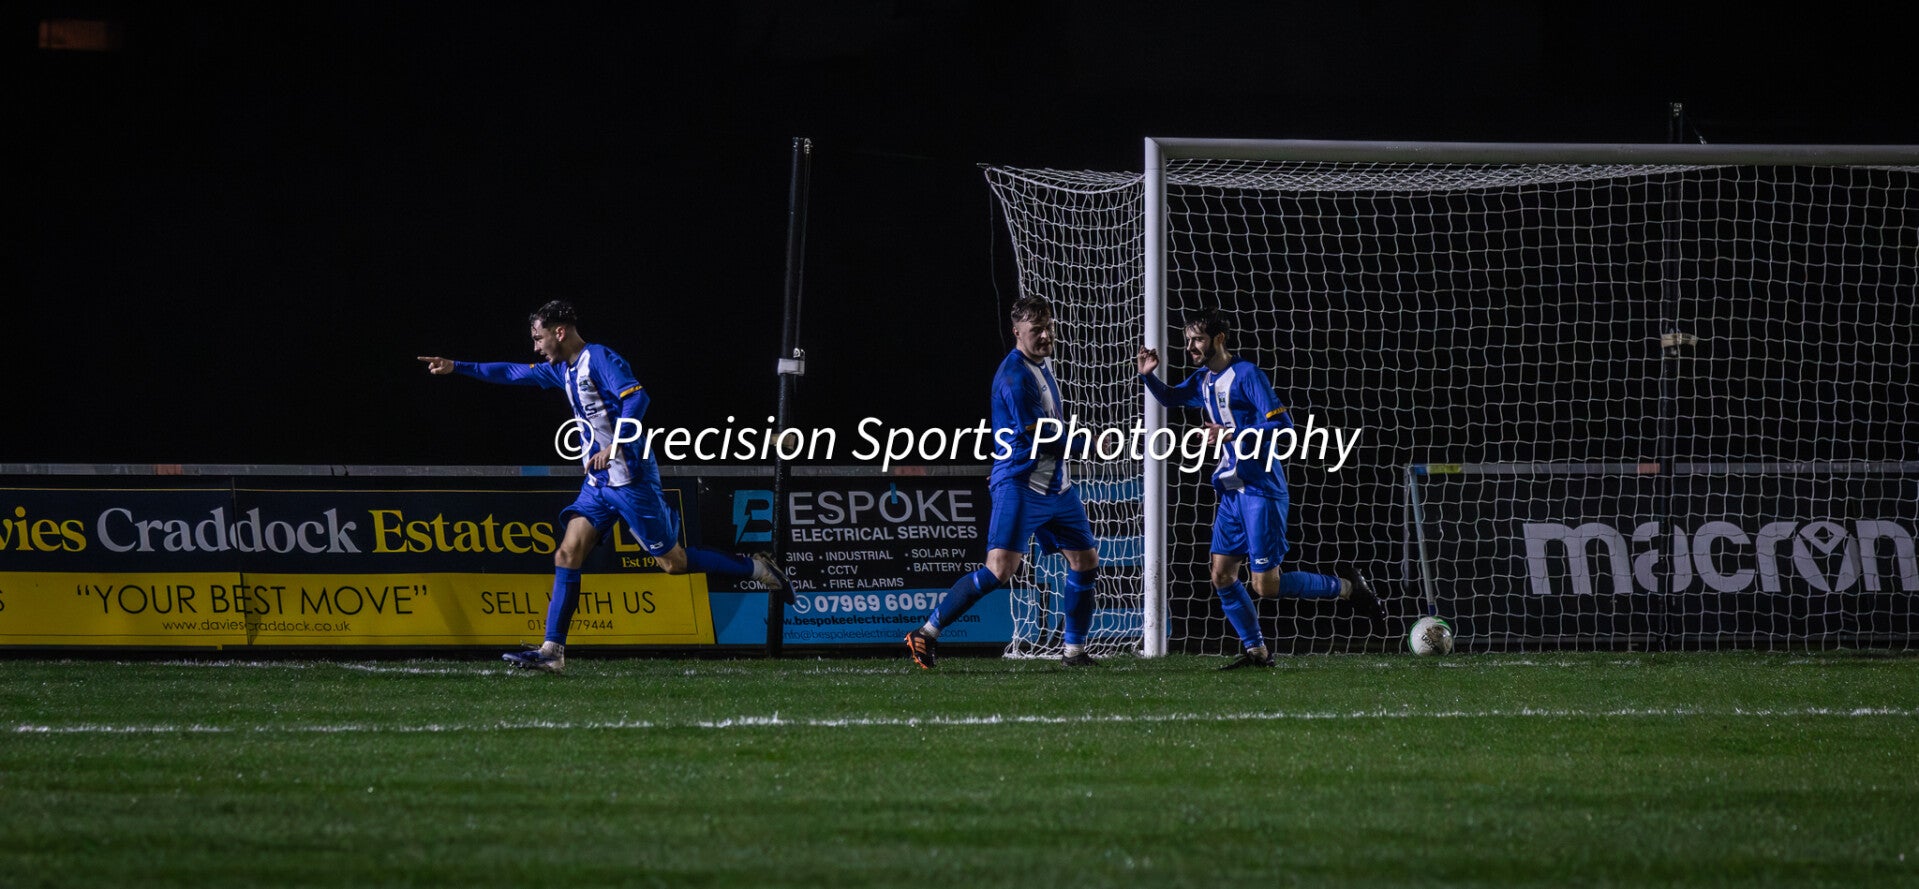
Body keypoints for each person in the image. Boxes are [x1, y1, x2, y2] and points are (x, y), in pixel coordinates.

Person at [418, 299, 791, 673]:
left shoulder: (599, 357)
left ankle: (756, 568)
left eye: (538, 338)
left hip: (631, 480)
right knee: (567, 554)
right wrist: (457, 366)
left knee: (673, 564)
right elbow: (513, 373)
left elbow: (637, 397)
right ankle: (552, 652)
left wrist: (616, 445)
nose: (536, 347)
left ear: (559, 332)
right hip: (598, 483)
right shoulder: (563, 369)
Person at [1137, 308, 1385, 669]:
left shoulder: (1247, 375)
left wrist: (1231, 433)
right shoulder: (1204, 379)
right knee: (1221, 575)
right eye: (1188, 340)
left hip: (1261, 489)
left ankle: (1347, 588)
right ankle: (1257, 652)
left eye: (1198, 339)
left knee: (1265, 586)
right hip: (1232, 490)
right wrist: (1148, 376)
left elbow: (1284, 428)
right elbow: (1172, 398)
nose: (1190, 347)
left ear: (1219, 339)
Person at [905, 296, 1102, 668]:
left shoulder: (1039, 365)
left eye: (1048, 327)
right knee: (999, 569)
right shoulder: (1014, 376)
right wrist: (1086, 443)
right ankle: (926, 633)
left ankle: (1074, 652)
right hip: (1020, 485)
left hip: (1056, 487)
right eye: (1036, 330)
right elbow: (1039, 435)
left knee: (1085, 561)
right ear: (1016, 332)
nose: (1045, 335)